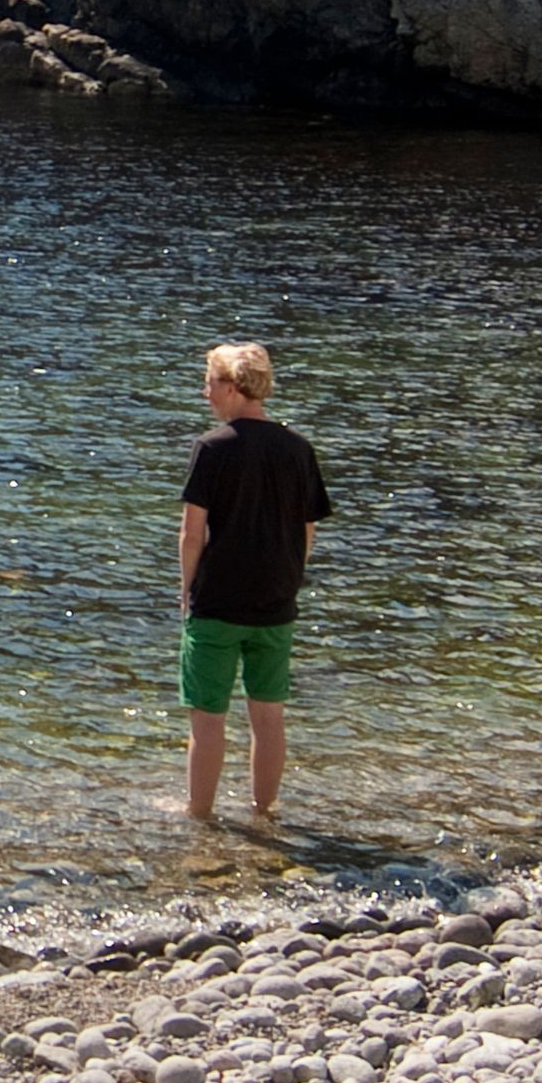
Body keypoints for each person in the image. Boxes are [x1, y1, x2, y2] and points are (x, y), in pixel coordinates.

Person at [177, 340, 333, 823]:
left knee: (208, 718)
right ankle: (264, 811)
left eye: (209, 383)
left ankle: (200, 814)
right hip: (276, 601)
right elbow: (307, 528)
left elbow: (192, 533)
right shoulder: (298, 448)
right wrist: (289, 577)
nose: (205, 393)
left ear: (231, 386)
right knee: (268, 716)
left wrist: (186, 589)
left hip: (219, 602)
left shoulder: (212, 448)